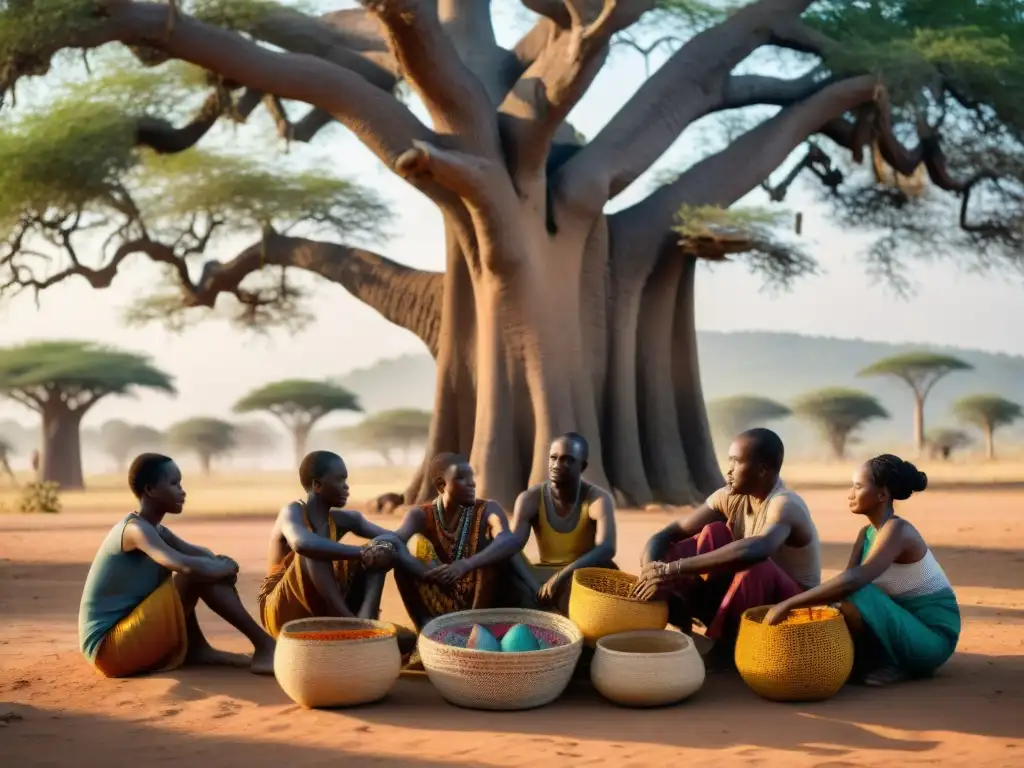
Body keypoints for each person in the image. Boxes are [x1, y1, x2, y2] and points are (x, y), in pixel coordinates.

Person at [764, 454, 960, 687]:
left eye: (858, 486)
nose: (850, 494)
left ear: (881, 495)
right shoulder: (866, 534)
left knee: (856, 592)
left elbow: (853, 582)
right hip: (901, 625)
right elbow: (843, 593)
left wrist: (788, 604)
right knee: (843, 601)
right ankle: (872, 660)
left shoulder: (898, 530)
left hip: (933, 638)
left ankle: (894, 664)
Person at [78, 453, 275, 677]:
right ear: (150, 490)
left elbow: (201, 555)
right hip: (108, 650)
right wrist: (220, 568)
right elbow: (184, 566)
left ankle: (198, 650)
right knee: (193, 575)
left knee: (201, 570)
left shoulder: (156, 530)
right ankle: (265, 645)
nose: (182, 491)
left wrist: (219, 565)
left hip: (127, 637)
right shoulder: (135, 530)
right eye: (174, 484)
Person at [632, 428, 821, 653]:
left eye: (736, 462)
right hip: (746, 598)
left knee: (757, 568)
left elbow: (757, 549)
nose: (728, 470)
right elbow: (668, 533)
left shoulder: (784, 504)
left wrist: (673, 569)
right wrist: (651, 571)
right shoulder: (730, 496)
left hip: (794, 607)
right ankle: (683, 615)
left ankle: (726, 646)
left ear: (761, 470)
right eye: (729, 460)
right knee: (713, 532)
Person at [258, 450, 404, 639]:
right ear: (317, 485)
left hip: (321, 610)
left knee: (382, 548)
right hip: (282, 613)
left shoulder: (346, 519)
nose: (347, 487)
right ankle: (346, 619)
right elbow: (302, 544)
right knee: (313, 551)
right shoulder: (292, 512)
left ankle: (366, 622)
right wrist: (361, 552)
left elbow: (396, 539)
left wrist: (416, 523)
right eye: (340, 480)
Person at [392, 452, 522, 631]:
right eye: (461, 478)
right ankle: (424, 629)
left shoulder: (487, 509)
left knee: (491, 557)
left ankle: (475, 629)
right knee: (401, 565)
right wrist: (425, 572)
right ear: (441, 485)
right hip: (443, 589)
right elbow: (395, 541)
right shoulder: (421, 515)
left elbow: (508, 539)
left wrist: (466, 564)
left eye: (472, 477)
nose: (472, 483)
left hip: (483, 599)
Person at [508, 433, 617, 613]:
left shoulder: (598, 499)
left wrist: (561, 576)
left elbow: (607, 547)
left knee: (607, 571)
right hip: (542, 577)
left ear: (582, 466)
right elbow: (511, 548)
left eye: (567, 460)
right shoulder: (530, 498)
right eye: (553, 458)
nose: (557, 465)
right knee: (500, 561)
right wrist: (534, 586)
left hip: (580, 576)